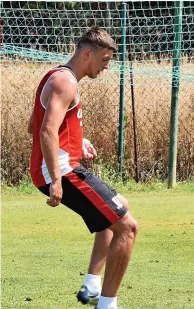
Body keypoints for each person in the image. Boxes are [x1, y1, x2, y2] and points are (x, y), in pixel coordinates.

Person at [28, 27, 138, 309]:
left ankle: (91, 285)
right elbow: (46, 132)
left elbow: (35, 125)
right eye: (104, 59)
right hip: (63, 172)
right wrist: (55, 180)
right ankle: (107, 305)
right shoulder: (66, 83)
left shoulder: (55, 76)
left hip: (64, 165)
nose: (107, 66)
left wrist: (77, 141)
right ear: (87, 54)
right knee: (127, 227)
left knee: (115, 209)